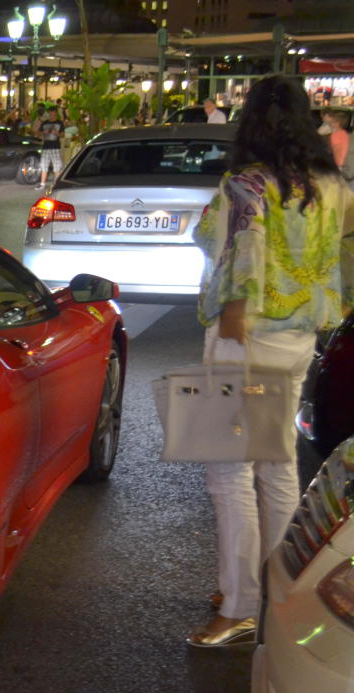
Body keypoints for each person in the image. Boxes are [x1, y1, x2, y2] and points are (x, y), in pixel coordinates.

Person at [187, 74, 354, 648]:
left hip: (245, 333)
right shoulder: (332, 185)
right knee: (278, 465)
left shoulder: (247, 184)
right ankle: (277, 594)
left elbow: (230, 249)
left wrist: (234, 314)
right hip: (300, 334)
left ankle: (238, 607)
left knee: (229, 471)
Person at [321, 109, 353, 188]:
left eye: (330, 122)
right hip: (347, 170)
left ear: (337, 122)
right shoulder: (345, 134)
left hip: (340, 170)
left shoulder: (335, 135)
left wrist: (338, 168)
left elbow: (338, 153)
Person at [37, 107, 64, 189]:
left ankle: (56, 184)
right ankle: (42, 183)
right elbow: (38, 133)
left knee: (57, 166)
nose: (51, 115)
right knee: (44, 165)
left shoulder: (59, 123)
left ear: (56, 113)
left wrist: (56, 133)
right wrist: (43, 132)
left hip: (55, 147)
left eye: (53, 114)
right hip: (46, 147)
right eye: (50, 114)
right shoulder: (45, 123)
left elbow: (63, 134)